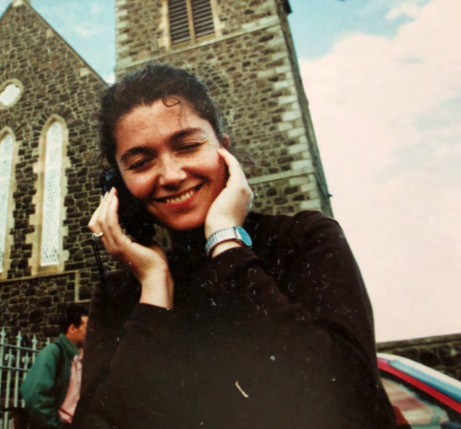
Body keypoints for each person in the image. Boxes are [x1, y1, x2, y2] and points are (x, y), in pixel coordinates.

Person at [73, 65, 396, 429]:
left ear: (225, 150)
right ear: (116, 184)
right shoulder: (121, 292)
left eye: (189, 146)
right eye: (141, 162)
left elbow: (347, 398)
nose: (172, 174)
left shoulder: (304, 240)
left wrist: (225, 241)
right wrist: (153, 286)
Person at [21, 304, 89, 429]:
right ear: (72, 328)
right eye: (87, 328)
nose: (91, 332)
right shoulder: (52, 353)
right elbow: (36, 396)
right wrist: (55, 425)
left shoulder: (82, 357)